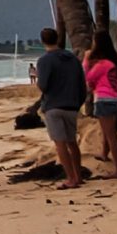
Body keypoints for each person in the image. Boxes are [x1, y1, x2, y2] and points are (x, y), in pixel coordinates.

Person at [31, 27, 86, 188]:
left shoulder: (45, 60)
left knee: (60, 143)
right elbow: (82, 83)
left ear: (42, 41)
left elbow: (43, 85)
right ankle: (78, 176)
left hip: (54, 105)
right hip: (71, 104)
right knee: (72, 142)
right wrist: (78, 102)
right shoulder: (72, 58)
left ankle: (71, 178)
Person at [83, 34, 117, 179]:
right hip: (115, 99)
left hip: (103, 99)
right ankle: (104, 153)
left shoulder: (103, 64)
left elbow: (87, 77)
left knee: (111, 135)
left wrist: (86, 60)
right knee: (107, 131)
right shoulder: (116, 62)